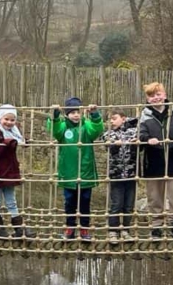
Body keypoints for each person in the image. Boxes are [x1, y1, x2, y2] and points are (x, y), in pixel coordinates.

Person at [138, 82, 173, 239]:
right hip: (153, 161)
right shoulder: (144, 116)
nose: (155, 98)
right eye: (151, 95)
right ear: (147, 99)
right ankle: (156, 226)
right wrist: (148, 139)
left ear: (165, 95)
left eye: (158, 94)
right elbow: (141, 135)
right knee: (154, 195)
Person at [48, 97, 104, 242]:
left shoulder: (86, 126)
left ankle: (84, 229)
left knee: (85, 202)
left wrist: (95, 115)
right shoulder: (63, 127)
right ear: (66, 114)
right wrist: (54, 115)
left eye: (78, 112)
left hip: (85, 171)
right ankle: (70, 228)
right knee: (69, 202)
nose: (76, 115)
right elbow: (54, 130)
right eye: (72, 112)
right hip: (68, 172)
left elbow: (97, 130)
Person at [0, 104, 34, 239]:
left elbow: (16, 142)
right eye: (6, 119)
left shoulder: (14, 132)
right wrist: (8, 142)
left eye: (12, 120)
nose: (9, 123)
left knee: (11, 200)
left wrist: (20, 142)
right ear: (0, 118)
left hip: (9, 170)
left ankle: (19, 228)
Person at [102, 109, 140, 243]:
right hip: (116, 174)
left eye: (114, 118)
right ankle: (113, 231)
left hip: (131, 174)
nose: (111, 121)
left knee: (129, 205)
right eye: (110, 119)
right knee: (117, 204)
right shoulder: (109, 133)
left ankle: (125, 230)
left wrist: (136, 143)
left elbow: (140, 143)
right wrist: (114, 145)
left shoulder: (134, 131)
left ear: (123, 119)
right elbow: (108, 146)